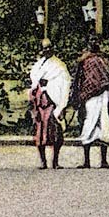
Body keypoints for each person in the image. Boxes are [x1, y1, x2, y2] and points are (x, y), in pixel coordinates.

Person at [70, 36, 109, 168]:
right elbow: (78, 80)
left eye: (96, 42)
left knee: (104, 124)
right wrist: (78, 95)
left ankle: (104, 161)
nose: (94, 44)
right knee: (89, 122)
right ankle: (87, 161)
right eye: (92, 42)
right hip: (90, 96)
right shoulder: (84, 60)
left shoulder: (105, 59)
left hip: (103, 95)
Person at [28, 38, 71, 169]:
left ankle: (55, 161)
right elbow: (33, 81)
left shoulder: (59, 65)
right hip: (40, 103)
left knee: (55, 132)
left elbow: (65, 83)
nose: (46, 50)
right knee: (40, 133)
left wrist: (61, 104)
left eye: (49, 47)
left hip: (53, 102)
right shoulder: (39, 65)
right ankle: (43, 161)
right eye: (44, 48)